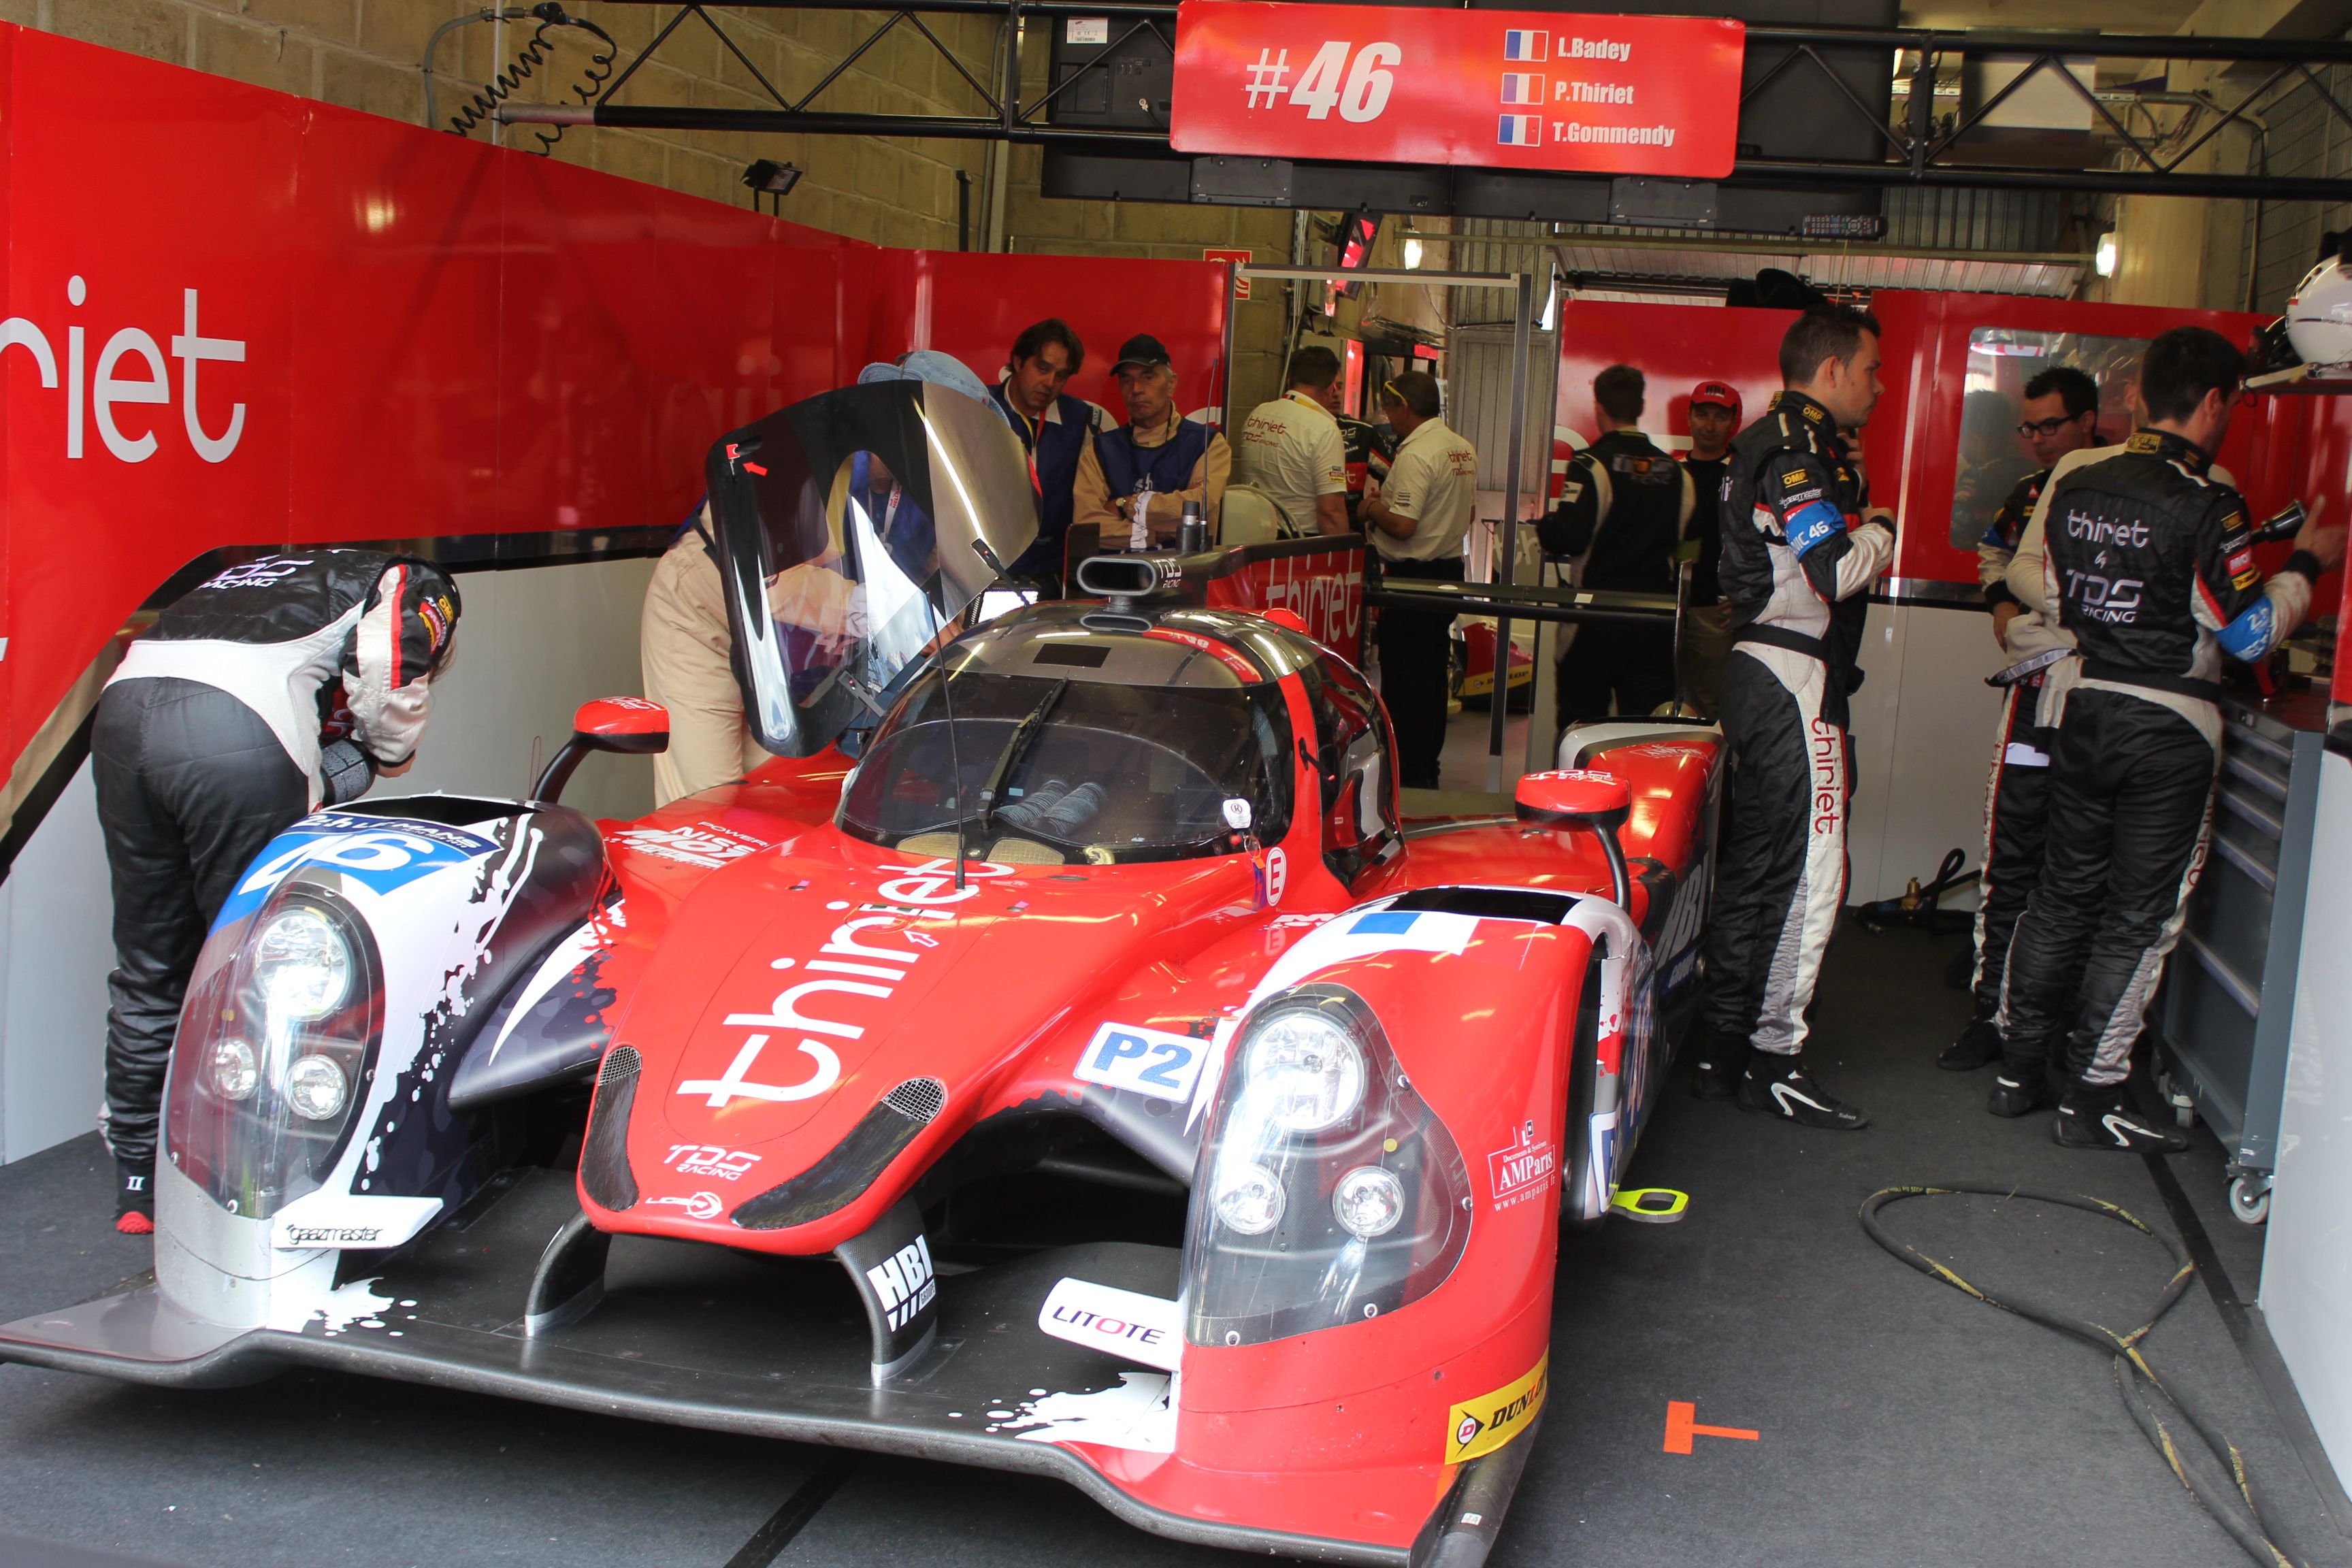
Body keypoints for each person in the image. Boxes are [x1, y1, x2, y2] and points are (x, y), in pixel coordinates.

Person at [1994, 327, 2344, 1152]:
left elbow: (2052, 593)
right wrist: (2305, 566)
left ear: (2140, 396)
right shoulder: (2209, 502)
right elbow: (2248, 635)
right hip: (2170, 725)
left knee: (2061, 894)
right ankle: (2094, 1094)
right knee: (2139, 916)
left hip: (2083, 707)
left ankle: (2018, 1070)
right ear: (2216, 402)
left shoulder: (2076, 484)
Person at [95, 551, 463, 1232]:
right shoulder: (411, 577)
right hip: (235, 728)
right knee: (267, 963)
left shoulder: (268, 572)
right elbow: (388, 665)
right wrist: (385, 750)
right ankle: (253, 1172)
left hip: (121, 713)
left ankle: (139, 1180)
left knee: (151, 959)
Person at [1690, 306, 1895, 1129]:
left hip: (1760, 670)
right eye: (1872, 370)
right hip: (1789, 674)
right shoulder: (1794, 450)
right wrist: (1883, 529)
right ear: (1833, 369)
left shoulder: (1764, 442)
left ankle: (1722, 1047)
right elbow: (1834, 571)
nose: (1879, 388)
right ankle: (1776, 1058)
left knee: (1756, 866)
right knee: (1812, 870)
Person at [641, 349, 1004, 806]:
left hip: (796, 644)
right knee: (706, 801)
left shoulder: (921, 490)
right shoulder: (809, 454)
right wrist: (896, 610)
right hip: (709, 610)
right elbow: (782, 582)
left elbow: (930, 577)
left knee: (777, 795)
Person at [1940, 365, 2103, 1072]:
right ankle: (1991, 1013)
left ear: (2089, 420)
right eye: (2028, 427)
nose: (2038, 439)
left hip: (2106, 701)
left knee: (2087, 864)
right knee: (2012, 852)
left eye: (2051, 426)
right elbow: (1995, 555)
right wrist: (2004, 610)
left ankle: (2064, 1024)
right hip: (2035, 696)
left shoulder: (2130, 490)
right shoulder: (2030, 492)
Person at [1539, 365, 1695, 723]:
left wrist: (1545, 527)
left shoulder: (1591, 465)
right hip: (1655, 624)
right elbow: (1690, 548)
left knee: (1580, 729)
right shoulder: (1678, 474)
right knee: (1641, 736)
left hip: (1594, 619)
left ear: (1599, 407)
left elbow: (1568, 536)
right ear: (1641, 407)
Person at [1362, 372, 1478, 790]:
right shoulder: (1461, 448)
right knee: (1430, 674)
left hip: (1413, 578)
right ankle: (1426, 766)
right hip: (1448, 573)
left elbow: (1403, 526)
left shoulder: (1416, 455)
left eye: (1389, 407)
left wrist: (1370, 509)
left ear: (1404, 408)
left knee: (1405, 678)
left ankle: (1407, 773)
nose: (1386, 416)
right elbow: (1467, 513)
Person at [1073, 334, 1231, 547]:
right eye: (1127, 380)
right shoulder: (1100, 448)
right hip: (1114, 568)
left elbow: (1198, 511)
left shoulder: (1208, 443)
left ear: (1171, 384)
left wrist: (1125, 505)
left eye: (1148, 377)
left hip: (1184, 567)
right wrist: (1155, 534)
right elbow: (1086, 527)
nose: (1136, 389)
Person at [992, 318, 1100, 591]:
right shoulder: (981, 406)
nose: (1049, 383)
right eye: (1042, 369)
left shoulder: (1080, 420)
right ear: (1018, 362)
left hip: (1050, 573)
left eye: (1061, 376)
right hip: (985, 567)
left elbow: (1091, 504)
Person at [1232, 346, 1352, 537]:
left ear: (1289, 380)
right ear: (1331, 389)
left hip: (1250, 533)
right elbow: (1331, 513)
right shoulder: (1324, 429)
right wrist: (1343, 552)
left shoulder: (1258, 413)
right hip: (1299, 539)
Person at [1677, 380, 1742, 719]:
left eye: (1720, 417)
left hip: (1715, 615)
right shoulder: (1672, 473)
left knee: (1711, 712)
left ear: (1733, 423)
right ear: (1689, 417)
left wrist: (1745, 595)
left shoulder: (1741, 476)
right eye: (1702, 414)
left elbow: (1758, 542)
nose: (1709, 425)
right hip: (1666, 609)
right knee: (1659, 706)